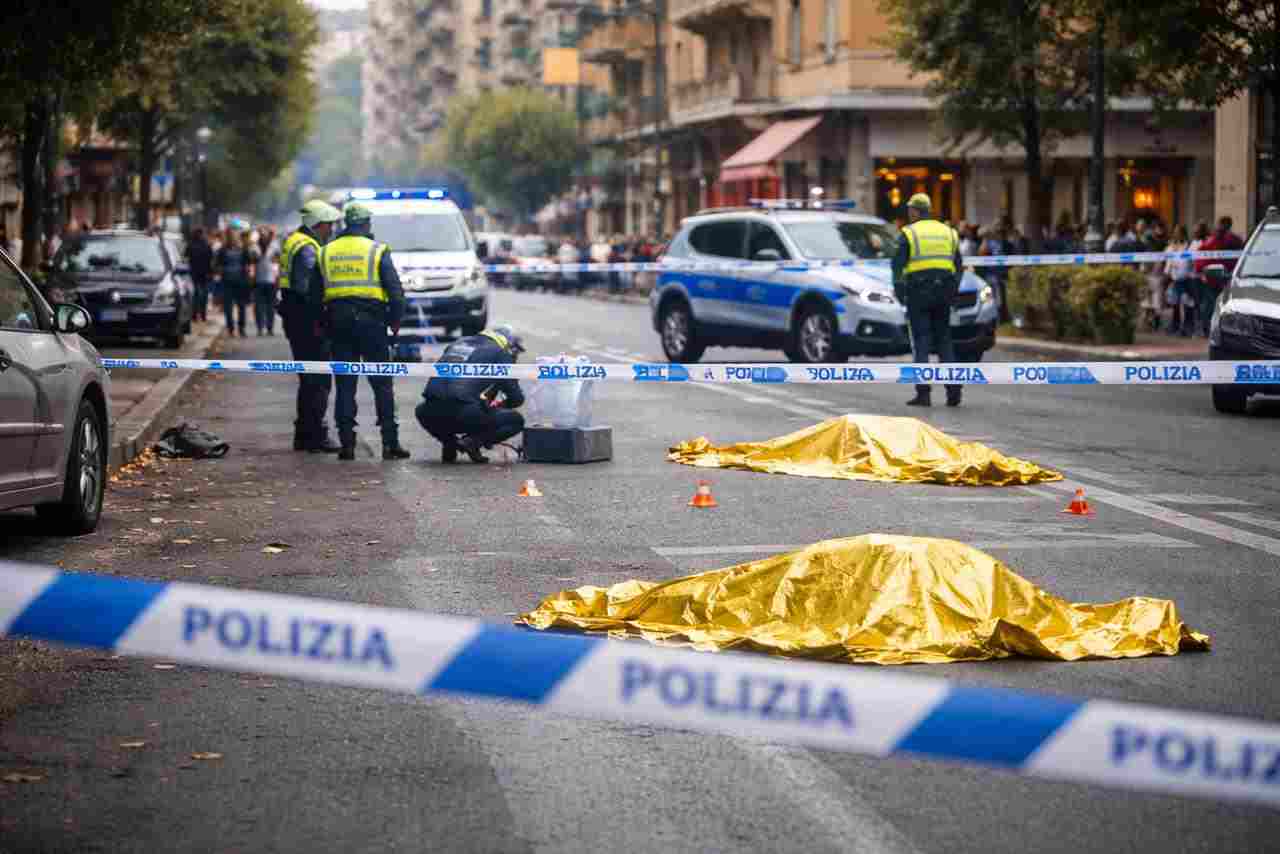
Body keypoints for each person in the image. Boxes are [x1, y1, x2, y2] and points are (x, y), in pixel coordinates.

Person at [315, 202, 409, 461]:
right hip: (372, 325)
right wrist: (395, 322)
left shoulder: (326, 251)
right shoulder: (377, 250)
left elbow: (314, 296)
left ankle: (347, 445)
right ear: (367, 224)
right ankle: (390, 444)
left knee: (345, 386)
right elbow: (396, 292)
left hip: (339, 325)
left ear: (346, 223)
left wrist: (322, 325)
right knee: (382, 384)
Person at [280, 201, 343, 453]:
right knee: (318, 379)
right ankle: (315, 435)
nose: (331, 230)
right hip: (308, 322)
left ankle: (304, 434)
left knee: (308, 379)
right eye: (328, 225)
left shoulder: (296, 240)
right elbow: (310, 290)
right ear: (317, 225)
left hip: (295, 319)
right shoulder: (307, 248)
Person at [416, 325, 526, 464]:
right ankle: (472, 442)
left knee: (433, 406)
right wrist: (499, 404)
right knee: (515, 420)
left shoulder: (457, 344)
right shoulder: (500, 353)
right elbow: (516, 398)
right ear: (509, 345)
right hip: (463, 414)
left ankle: (450, 443)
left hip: (428, 413)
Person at [893, 193, 964, 408]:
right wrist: (952, 291)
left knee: (921, 341)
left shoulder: (909, 233)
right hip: (944, 292)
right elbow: (958, 267)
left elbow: (897, 266)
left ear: (915, 211)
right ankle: (954, 392)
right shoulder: (949, 232)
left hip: (918, 292)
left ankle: (923, 393)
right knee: (944, 340)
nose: (908, 214)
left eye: (910, 210)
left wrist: (899, 292)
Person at [1194, 215, 1245, 336]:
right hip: (1221, 278)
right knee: (1216, 305)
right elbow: (1202, 255)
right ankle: (1214, 329)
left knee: (1213, 305)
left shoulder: (1223, 239)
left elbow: (1201, 254)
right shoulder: (1231, 239)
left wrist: (1200, 269)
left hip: (1219, 278)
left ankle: (1211, 329)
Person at [216, 228, 251, 336]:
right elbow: (217, 264)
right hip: (232, 281)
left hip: (236, 281)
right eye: (232, 236)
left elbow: (248, 263)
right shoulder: (224, 250)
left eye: (234, 236)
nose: (233, 238)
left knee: (236, 306)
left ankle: (237, 328)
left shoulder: (240, 249)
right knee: (232, 306)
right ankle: (235, 328)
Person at [251, 227, 279, 335]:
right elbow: (251, 264)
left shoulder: (274, 247)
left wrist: (278, 278)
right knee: (258, 306)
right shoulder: (254, 248)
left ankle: (270, 328)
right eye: (261, 234)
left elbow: (278, 263)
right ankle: (259, 327)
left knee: (270, 306)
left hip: (271, 279)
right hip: (258, 280)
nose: (264, 236)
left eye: (265, 234)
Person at [186, 228, 213, 322]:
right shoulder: (207, 245)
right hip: (205, 273)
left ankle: (194, 314)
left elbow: (186, 258)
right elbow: (211, 260)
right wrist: (210, 273)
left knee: (195, 294)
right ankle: (203, 314)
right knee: (204, 295)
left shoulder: (190, 245)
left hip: (193, 273)